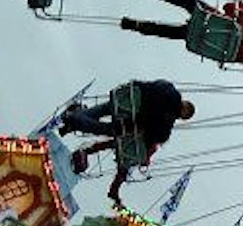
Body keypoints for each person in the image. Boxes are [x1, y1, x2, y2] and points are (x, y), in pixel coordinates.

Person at [58, 80, 196, 206]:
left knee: (105, 108)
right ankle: (74, 120)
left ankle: (77, 117)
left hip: (126, 99)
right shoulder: (167, 120)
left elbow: (146, 85)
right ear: (183, 114)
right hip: (128, 123)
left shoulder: (169, 88)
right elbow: (157, 135)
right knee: (104, 129)